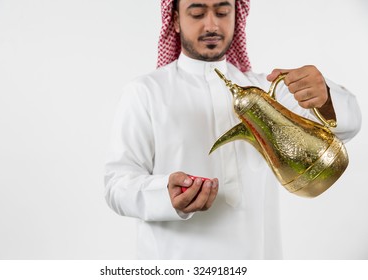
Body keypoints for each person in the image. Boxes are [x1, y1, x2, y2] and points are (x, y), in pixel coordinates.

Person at [104, 0, 361, 259]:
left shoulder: (267, 91)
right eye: (197, 13)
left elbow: (342, 131)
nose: (212, 24)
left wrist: (325, 96)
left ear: (237, 16)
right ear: (174, 20)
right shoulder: (146, 93)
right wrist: (163, 194)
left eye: (223, 12)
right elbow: (117, 184)